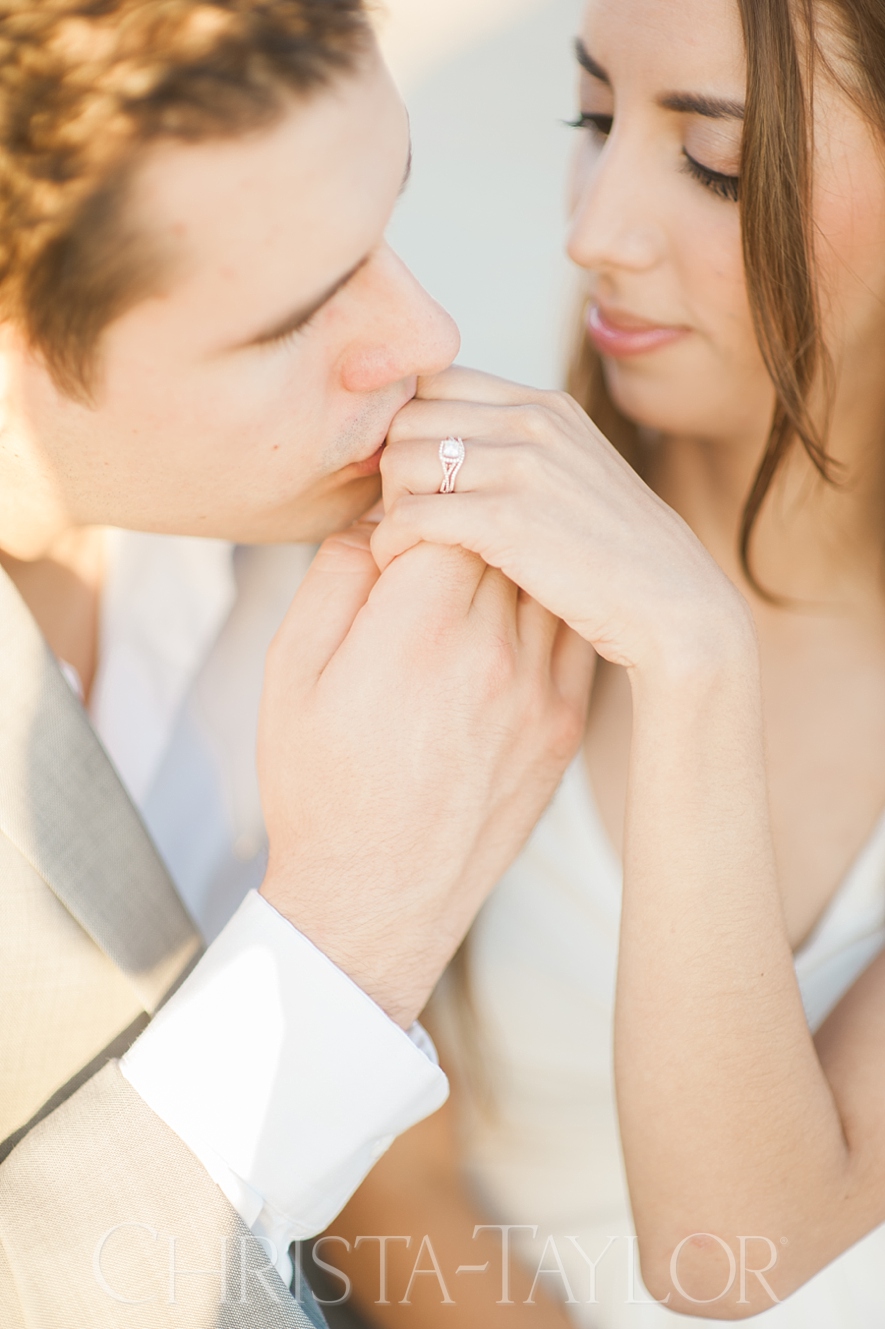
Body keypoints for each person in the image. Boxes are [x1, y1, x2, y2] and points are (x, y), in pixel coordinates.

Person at [0, 2, 602, 1324]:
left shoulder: (310, 528)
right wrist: (345, 939)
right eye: (287, 322)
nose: (427, 333)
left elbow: (399, 1201)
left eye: (382, 223)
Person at [327, 0, 885, 1322]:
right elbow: (385, 1189)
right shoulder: (457, 546)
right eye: (591, 119)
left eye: (715, 162)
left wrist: (691, 663)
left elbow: (741, 1250)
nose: (591, 230)